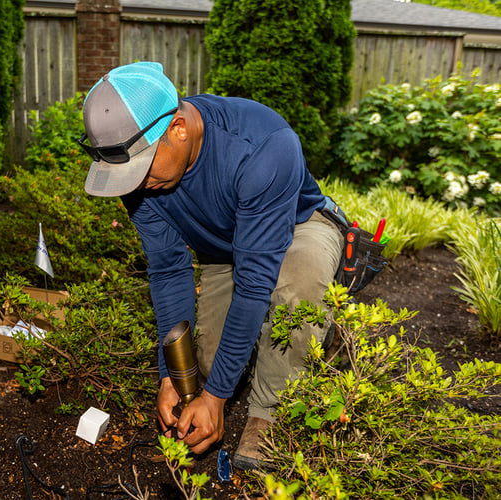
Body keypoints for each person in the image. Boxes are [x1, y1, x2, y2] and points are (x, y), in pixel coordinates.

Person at [77, 61, 344, 470]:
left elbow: (255, 281)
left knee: (297, 283)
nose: (135, 185)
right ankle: (266, 353)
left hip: (297, 227)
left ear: (178, 129)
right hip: (223, 248)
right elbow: (168, 270)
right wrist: (170, 377)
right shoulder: (141, 174)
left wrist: (216, 397)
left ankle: (268, 414)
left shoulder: (264, 145)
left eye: (140, 170)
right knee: (206, 362)